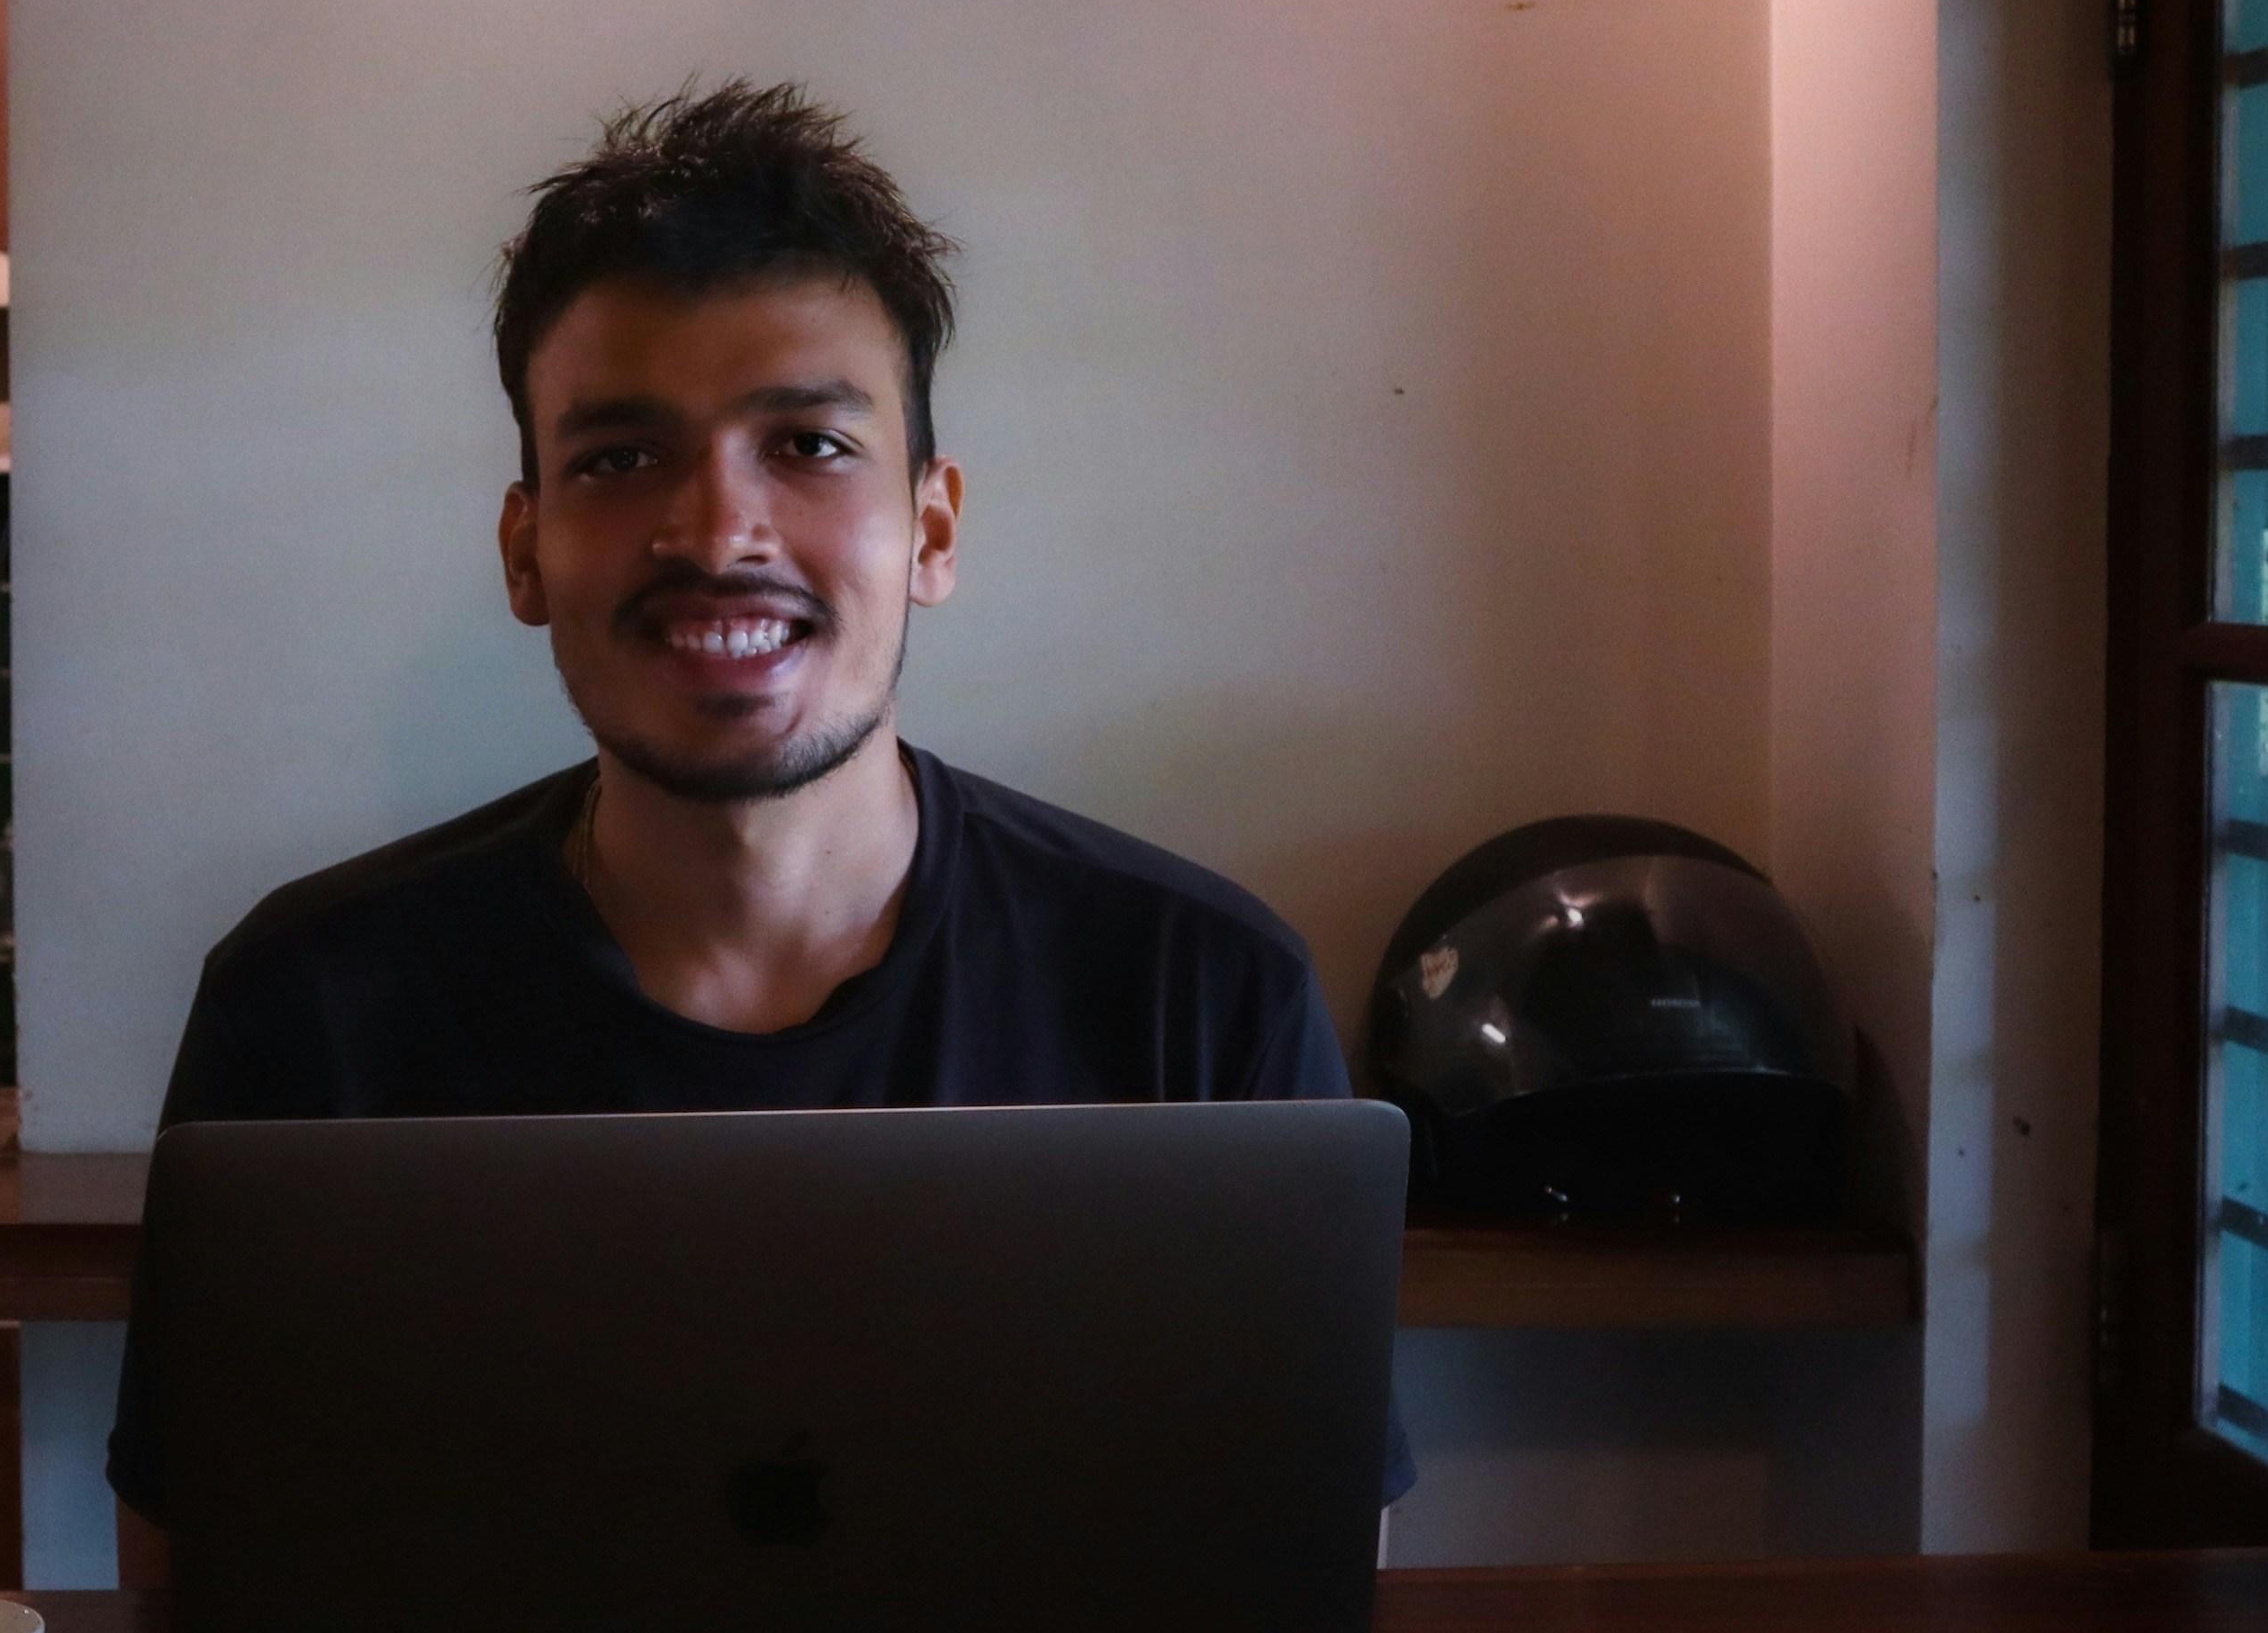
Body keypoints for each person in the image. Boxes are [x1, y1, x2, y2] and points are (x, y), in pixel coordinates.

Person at [110, 79, 1387, 1524]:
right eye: (619, 456)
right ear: (525, 553)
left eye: (811, 445)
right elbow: (198, 1594)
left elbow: (1314, 1572)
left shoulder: (1195, 998)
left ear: (932, 529)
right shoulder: (310, 1012)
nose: (718, 531)